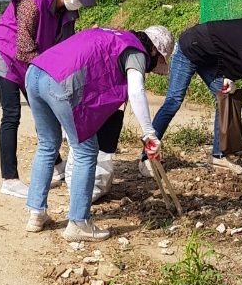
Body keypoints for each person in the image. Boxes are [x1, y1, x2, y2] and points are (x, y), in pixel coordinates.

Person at [24, 25, 174, 242]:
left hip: (36, 72)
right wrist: (150, 133)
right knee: (86, 150)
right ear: (155, 50)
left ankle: (36, 214)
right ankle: (78, 223)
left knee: (48, 144)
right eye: (159, 61)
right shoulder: (137, 50)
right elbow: (136, 91)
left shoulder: (112, 34)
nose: (153, 68)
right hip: (59, 82)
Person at [140, 17, 242, 176]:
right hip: (189, 48)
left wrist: (227, 76)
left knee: (224, 98)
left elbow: (228, 46)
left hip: (208, 56)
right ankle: (146, 157)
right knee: (173, 101)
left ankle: (218, 156)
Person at [0, 0, 96, 199]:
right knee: (11, 115)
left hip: (34, 62)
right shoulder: (32, 2)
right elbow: (25, 48)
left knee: (46, 111)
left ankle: (57, 166)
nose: (79, 4)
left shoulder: (68, 12)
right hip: (6, 56)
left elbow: (66, 48)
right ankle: (10, 179)